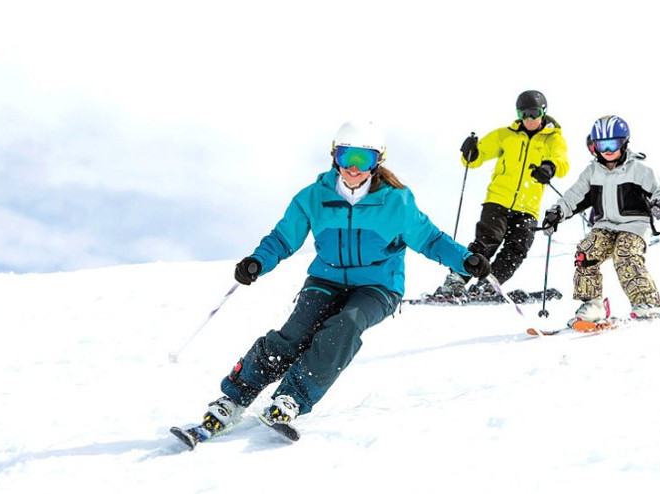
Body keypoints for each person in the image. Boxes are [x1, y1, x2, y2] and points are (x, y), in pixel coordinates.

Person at [192, 121, 491, 440]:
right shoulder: (313, 198)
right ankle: (234, 397)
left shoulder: (397, 202)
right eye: (347, 156)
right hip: (326, 278)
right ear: (335, 156)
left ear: (378, 161)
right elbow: (283, 238)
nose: (354, 167)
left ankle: (292, 397)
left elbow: (430, 239)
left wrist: (465, 260)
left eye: (364, 159)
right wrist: (257, 262)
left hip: (378, 286)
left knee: (346, 326)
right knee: (294, 333)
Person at [433, 89, 569, 298]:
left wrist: (549, 167)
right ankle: (456, 280)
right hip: (498, 201)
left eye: (534, 113)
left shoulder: (553, 139)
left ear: (543, 112)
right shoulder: (505, 135)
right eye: (523, 114)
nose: (529, 119)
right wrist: (471, 152)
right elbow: (477, 157)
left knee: (518, 248)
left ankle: (489, 284)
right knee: (486, 242)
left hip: (528, 207)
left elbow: (562, 162)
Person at [541, 115, 660, 324]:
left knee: (625, 254)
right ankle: (593, 304)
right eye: (602, 145)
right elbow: (573, 196)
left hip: (634, 226)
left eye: (613, 144)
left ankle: (648, 302)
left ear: (624, 143)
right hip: (604, 226)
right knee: (586, 252)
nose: (608, 150)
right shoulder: (592, 172)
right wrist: (556, 213)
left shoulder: (638, 168)